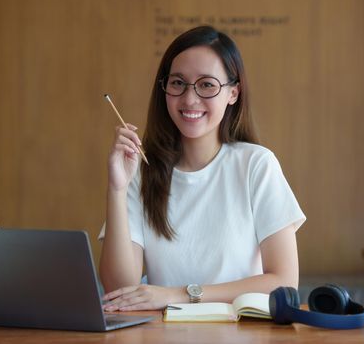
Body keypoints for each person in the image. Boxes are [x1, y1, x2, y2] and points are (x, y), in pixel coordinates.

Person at [99, 25, 305, 311]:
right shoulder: (142, 170)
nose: (189, 99)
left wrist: (178, 294)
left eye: (207, 84)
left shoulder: (257, 165)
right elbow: (119, 289)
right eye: (177, 83)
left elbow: (284, 282)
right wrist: (117, 189)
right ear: (164, 89)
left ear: (233, 93)